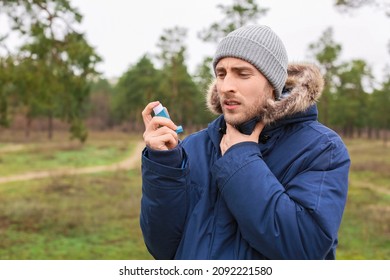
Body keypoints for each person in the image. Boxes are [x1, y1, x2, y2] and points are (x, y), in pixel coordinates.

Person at [140, 25, 350, 260]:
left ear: (273, 84)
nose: (226, 86)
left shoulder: (321, 148)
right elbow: (162, 248)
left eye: (243, 74)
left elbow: (304, 248)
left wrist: (241, 159)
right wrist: (165, 165)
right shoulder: (194, 148)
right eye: (221, 73)